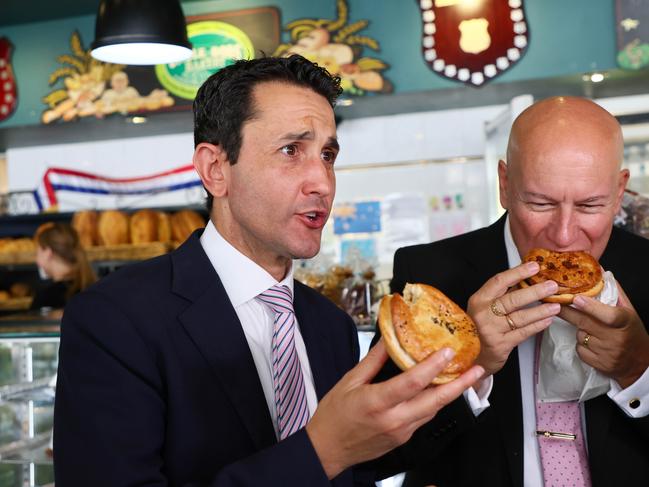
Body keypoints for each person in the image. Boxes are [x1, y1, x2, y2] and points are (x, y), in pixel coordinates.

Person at [53, 55, 484, 486]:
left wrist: (478, 366)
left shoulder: (330, 325)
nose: (323, 182)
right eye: (291, 150)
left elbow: (355, 468)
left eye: (328, 155)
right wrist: (321, 450)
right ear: (215, 170)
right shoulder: (114, 321)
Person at [380, 96, 649, 486]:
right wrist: (469, 367)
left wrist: (638, 369)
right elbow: (384, 454)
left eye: (590, 205)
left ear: (620, 191)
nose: (563, 235)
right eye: (540, 203)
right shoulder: (427, 276)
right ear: (505, 185)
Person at [31, 222, 97, 311]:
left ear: (47, 253)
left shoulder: (47, 298)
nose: (36, 259)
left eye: (37, 252)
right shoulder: (93, 289)